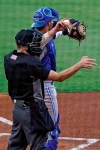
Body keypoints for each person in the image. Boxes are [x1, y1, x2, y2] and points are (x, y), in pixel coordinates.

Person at [4, 27, 96, 150]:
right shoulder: (32, 63)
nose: (37, 45)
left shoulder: (9, 58)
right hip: (33, 112)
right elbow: (59, 77)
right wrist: (79, 65)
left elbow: (39, 43)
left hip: (18, 111)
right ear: (26, 45)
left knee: (16, 147)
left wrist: (57, 29)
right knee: (39, 146)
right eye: (35, 43)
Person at [31, 7, 74, 149]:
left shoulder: (35, 34)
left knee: (39, 127)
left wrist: (65, 30)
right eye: (52, 21)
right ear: (48, 23)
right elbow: (45, 39)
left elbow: (52, 35)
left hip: (34, 88)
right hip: (46, 87)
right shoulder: (38, 41)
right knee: (52, 129)